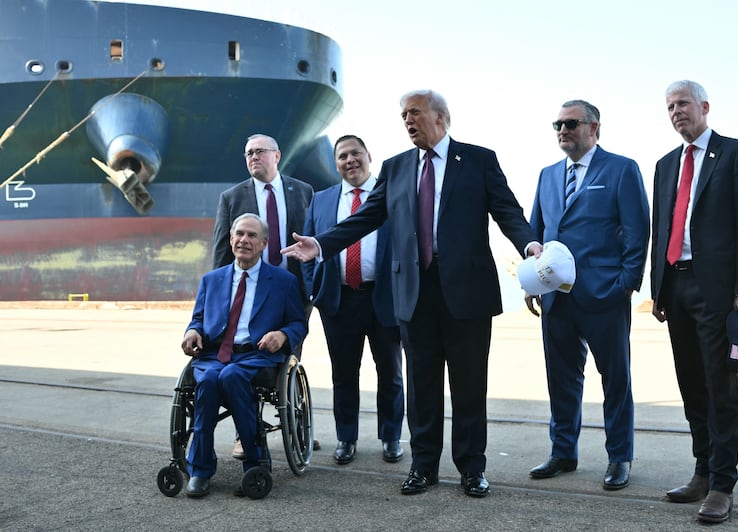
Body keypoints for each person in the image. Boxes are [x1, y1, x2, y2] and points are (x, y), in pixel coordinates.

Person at [282, 90, 537, 498]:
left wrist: (529, 245)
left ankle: (472, 468)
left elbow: (507, 210)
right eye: (403, 115)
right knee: (420, 384)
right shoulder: (397, 167)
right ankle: (423, 466)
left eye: (414, 113)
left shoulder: (477, 160)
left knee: (469, 384)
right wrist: (323, 244)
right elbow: (368, 216)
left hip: (466, 291)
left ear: (442, 118)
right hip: (413, 291)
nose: (407, 121)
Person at [650, 80, 738, 523]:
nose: (676, 111)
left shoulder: (735, 154)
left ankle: (722, 485)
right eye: (670, 106)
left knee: (720, 386)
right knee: (690, 382)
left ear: (704, 107)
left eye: (683, 104)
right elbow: (663, 228)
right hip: (675, 287)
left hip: (716, 290)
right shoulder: (663, 165)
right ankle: (701, 470)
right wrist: (658, 289)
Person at [526, 100, 650, 491]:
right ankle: (563, 452)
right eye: (557, 124)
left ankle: (619, 457)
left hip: (604, 296)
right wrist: (532, 282)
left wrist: (626, 284)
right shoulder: (547, 176)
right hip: (556, 300)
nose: (562, 129)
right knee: (560, 379)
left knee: (615, 380)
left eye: (571, 123)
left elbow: (637, 230)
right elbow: (536, 232)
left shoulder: (620, 169)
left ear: (594, 128)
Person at [180, 213, 307, 498]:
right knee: (211, 380)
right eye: (239, 234)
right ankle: (200, 470)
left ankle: (255, 464)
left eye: (251, 236)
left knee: (232, 375)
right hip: (214, 355)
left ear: (264, 243)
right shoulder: (211, 280)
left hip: (256, 356)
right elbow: (197, 320)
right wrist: (192, 332)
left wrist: (283, 335)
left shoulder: (283, 281)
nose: (244, 240)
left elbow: (299, 323)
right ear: (230, 239)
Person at [211, 133, 317, 457]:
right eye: (248, 153)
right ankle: (246, 432)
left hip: (294, 291)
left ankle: (297, 426)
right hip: (251, 294)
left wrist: (312, 290)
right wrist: (220, 297)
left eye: (259, 152)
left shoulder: (303, 191)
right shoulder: (232, 197)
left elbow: (314, 241)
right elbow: (221, 252)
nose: (253, 157)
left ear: (277, 155)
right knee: (247, 359)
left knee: (290, 358)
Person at [302, 135, 404, 465]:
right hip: (339, 301)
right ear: (335, 164)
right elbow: (308, 253)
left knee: (390, 372)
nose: (350, 160)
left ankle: (391, 437)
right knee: (344, 374)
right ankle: (346, 438)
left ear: (369, 156)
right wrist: (313, 291)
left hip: (385, 297)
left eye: (355, 153)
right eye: (342, 156)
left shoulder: (391, 196)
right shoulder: (321, 200)